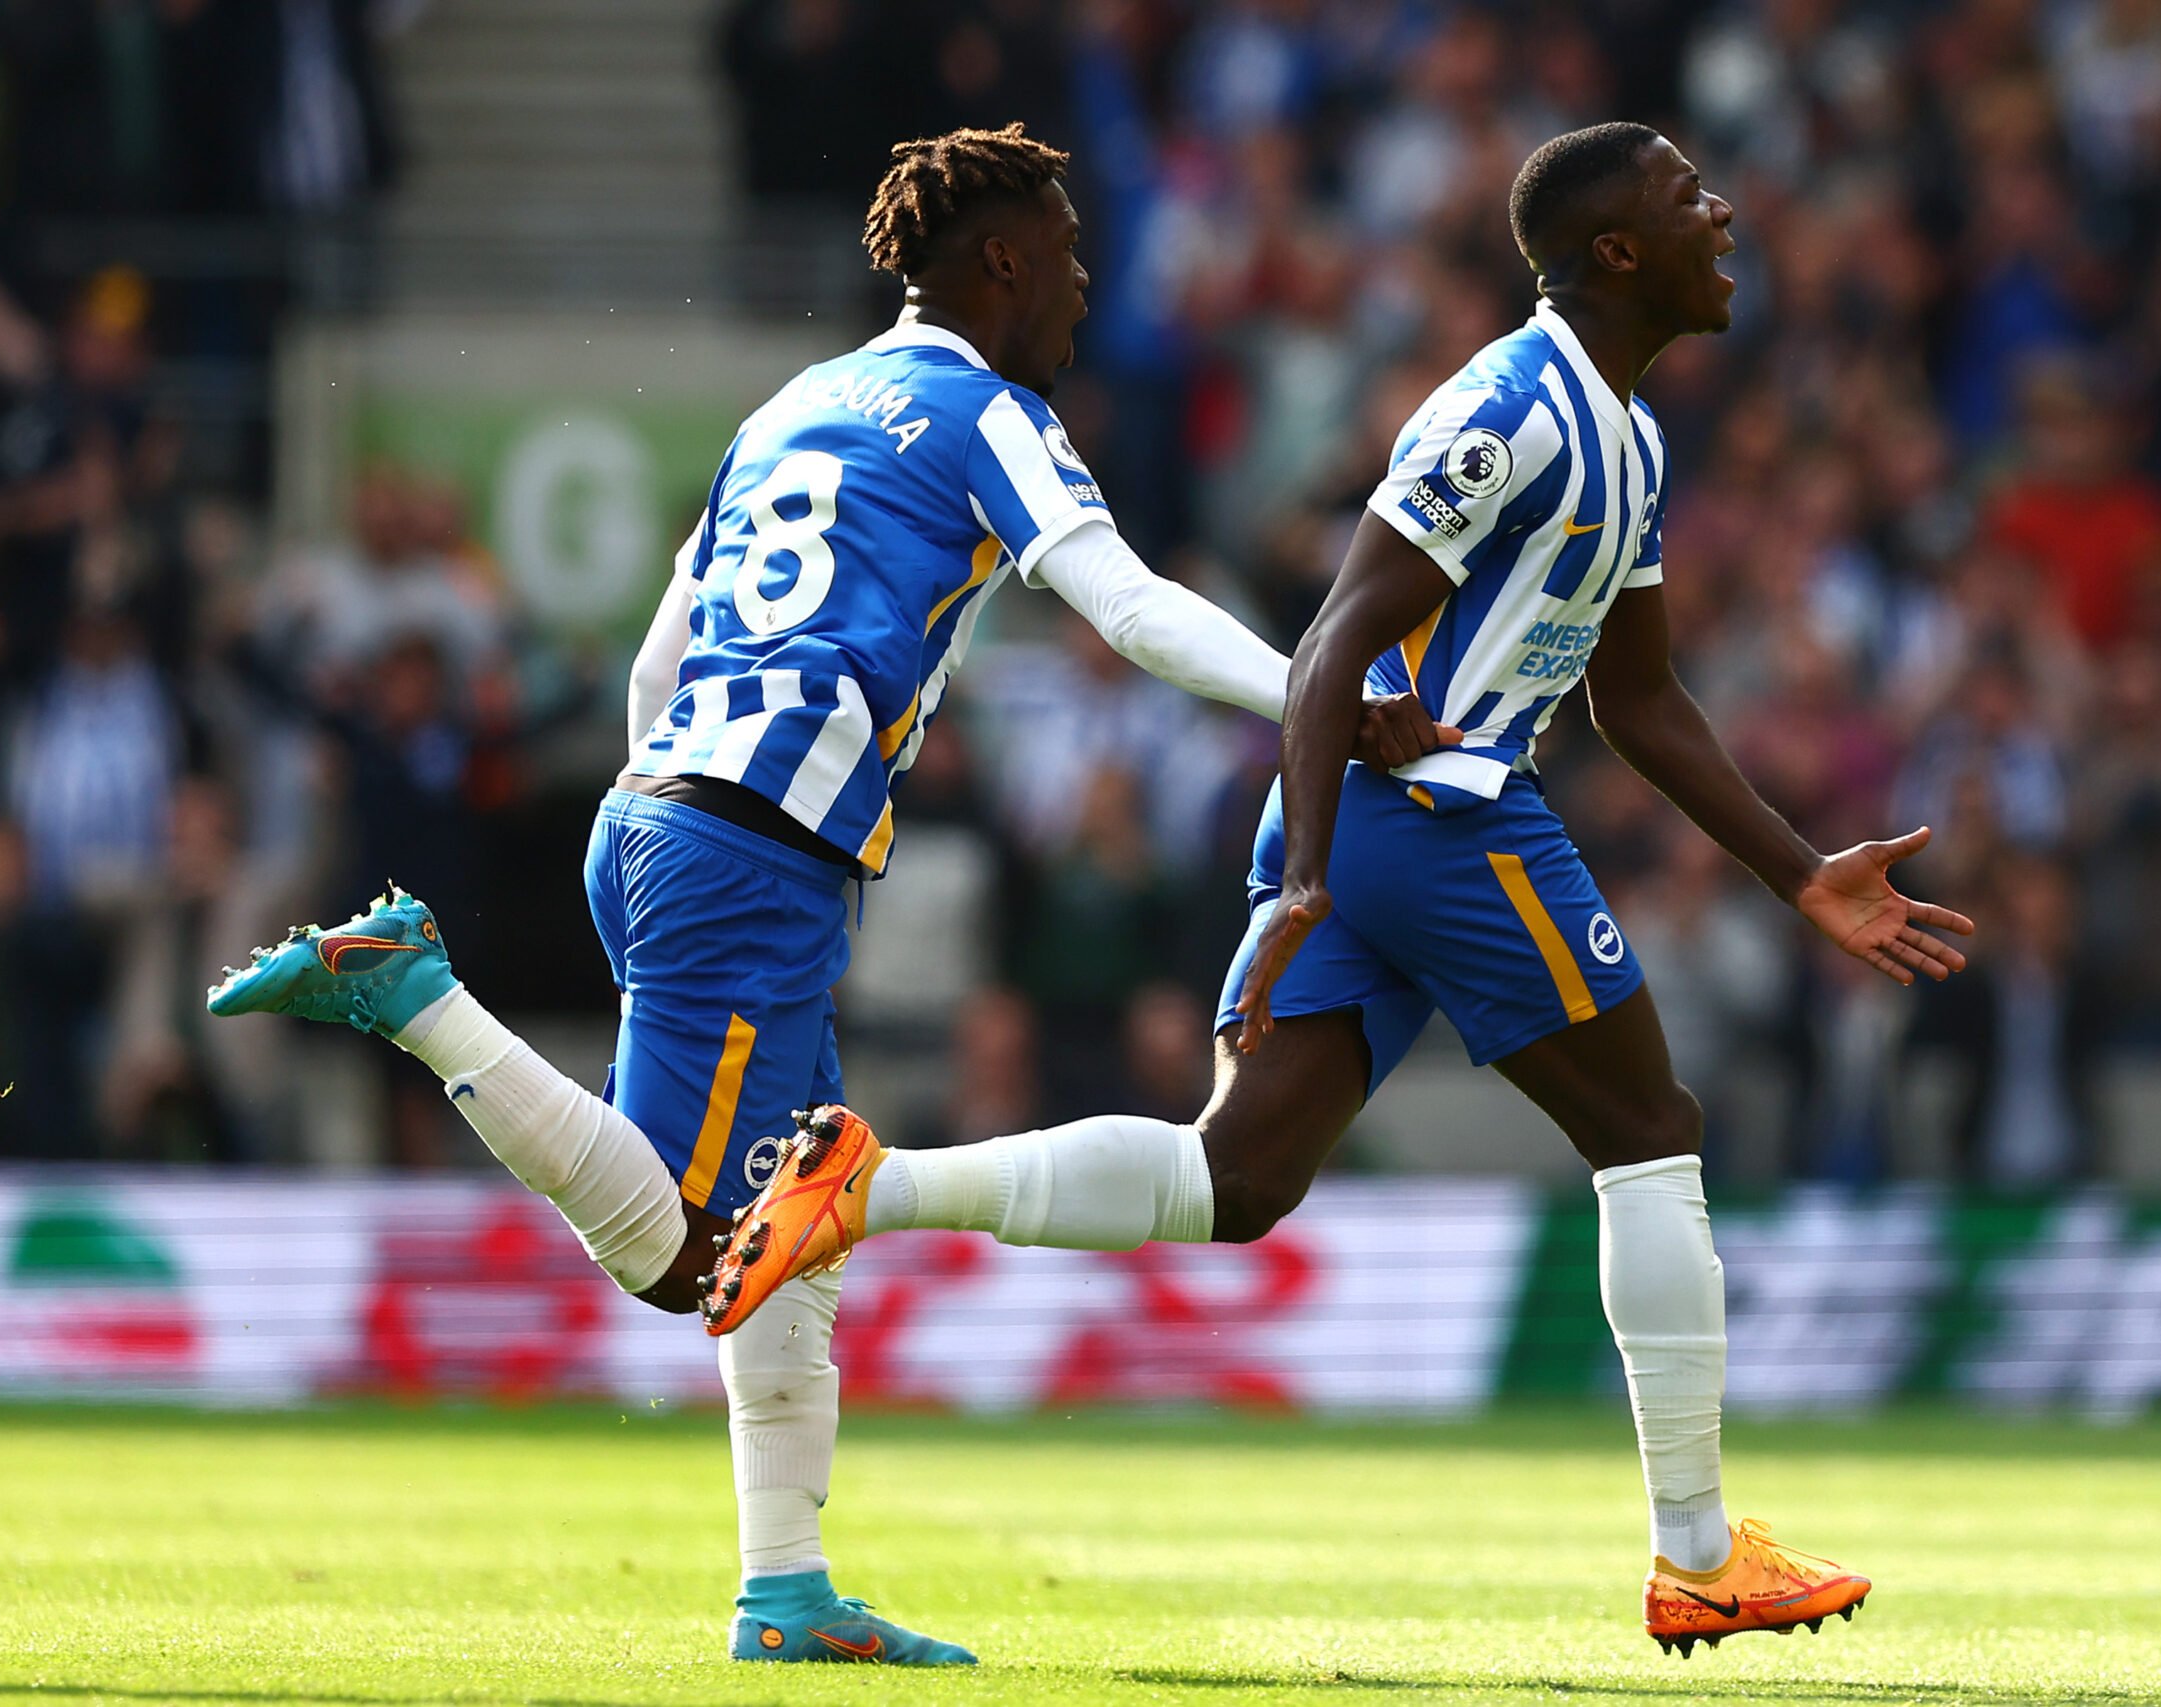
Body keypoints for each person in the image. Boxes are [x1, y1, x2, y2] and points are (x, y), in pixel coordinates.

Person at [711, 123, 1976, 1659]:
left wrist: (1798, 871)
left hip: (1386, 830)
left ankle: (870, 1187)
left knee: (1234, 1179)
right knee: (1652, 1129)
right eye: (1683, 195)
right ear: (1615, 250)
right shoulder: (1509, 410)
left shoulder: (1627, 437)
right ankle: (1701, 1554)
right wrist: (1306, 873)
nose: (1720, 212)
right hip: (1438, 814)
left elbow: (1638, 700)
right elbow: (1333, 642)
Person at [208, 123, 1447, 1668]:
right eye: (1069, 254)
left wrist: (690, 803)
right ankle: (416, 995)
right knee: (686, 1258)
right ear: (1001, 260)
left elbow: (661, 657)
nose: (1085, 283)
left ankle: (784, 1590)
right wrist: (1314, 694)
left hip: (668, 812)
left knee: (796, 1227)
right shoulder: (990, 413)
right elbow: (1127, 609)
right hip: (754, 849)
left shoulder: (790, 406)